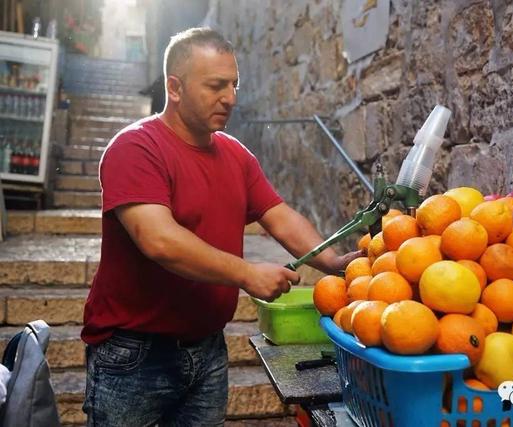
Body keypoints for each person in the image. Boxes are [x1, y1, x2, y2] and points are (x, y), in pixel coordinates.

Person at [81, 27, 361, 426]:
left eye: (234, 84)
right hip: (134, 356)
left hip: (208, 351)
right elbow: (159, 240)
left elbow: (278, 214)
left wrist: (333, 262)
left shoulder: (236, 155)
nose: (230, 97)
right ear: (174, 88)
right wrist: (247, 273)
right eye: (216, 85)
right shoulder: (135, 148)